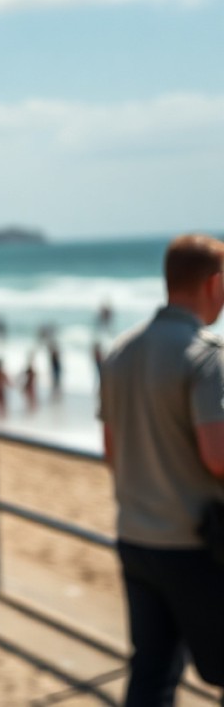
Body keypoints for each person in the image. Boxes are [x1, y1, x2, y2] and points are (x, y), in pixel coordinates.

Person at [98, 234, 224, 705]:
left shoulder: (120, 350)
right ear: (214, 283)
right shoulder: (206, 355)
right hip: (196, 544)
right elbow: (217, 456)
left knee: (151, 672)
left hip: (135, 535)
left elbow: (111, 450)